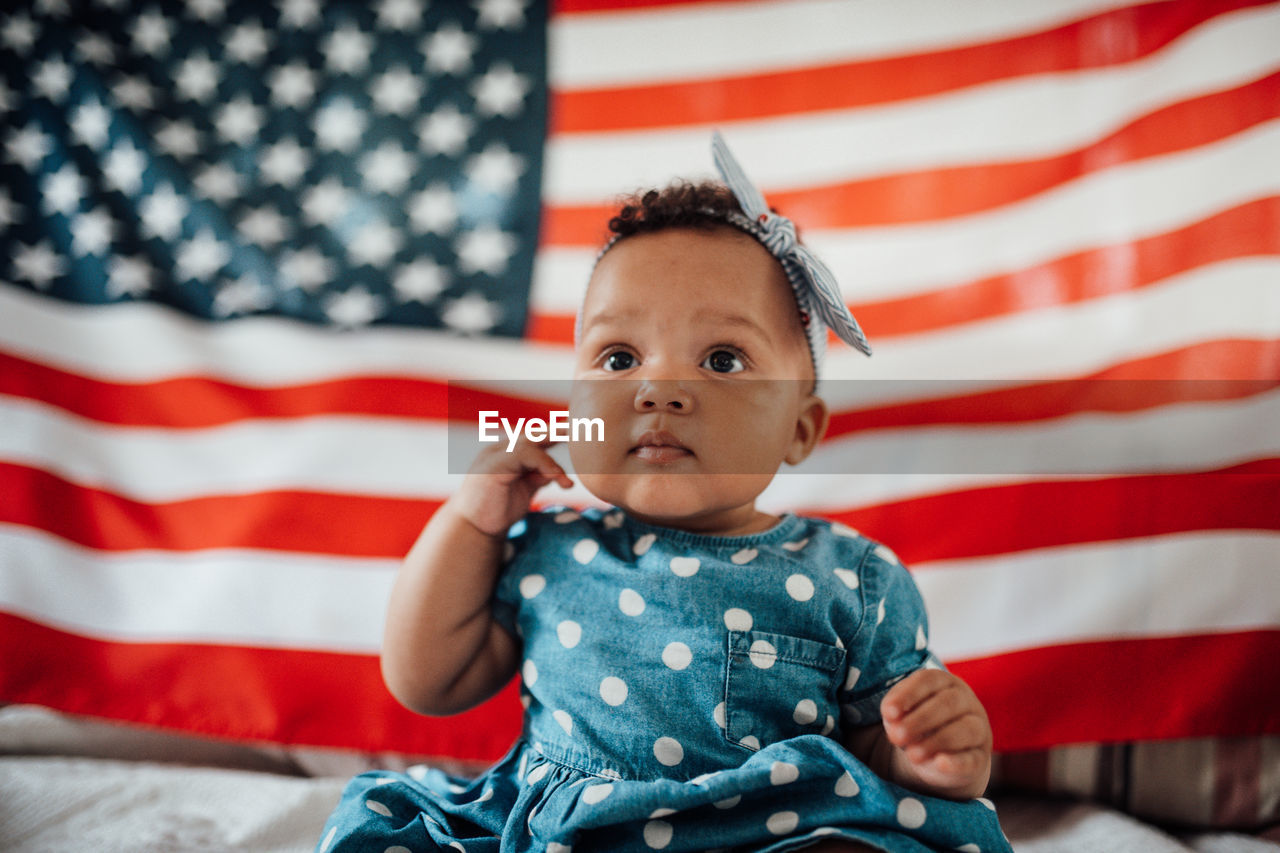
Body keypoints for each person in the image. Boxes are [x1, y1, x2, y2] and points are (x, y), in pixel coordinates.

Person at [318, 135, 1011, 852]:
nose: (660, 389)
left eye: (722, 359)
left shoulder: (851, 576)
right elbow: (426, 679)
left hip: (771, 831)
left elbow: (875, 750)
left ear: (799, 429)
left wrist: (927, 756)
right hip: (574, 831)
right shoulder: (549, 552)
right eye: (619, 358)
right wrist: (471, 522)